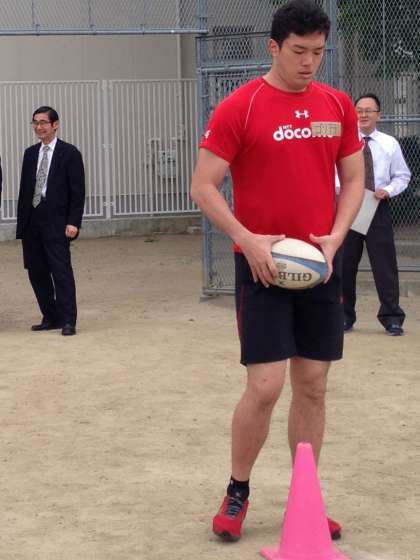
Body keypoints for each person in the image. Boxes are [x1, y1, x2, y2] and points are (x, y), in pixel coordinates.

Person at [191, 0, 365, 544]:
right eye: (298, 51)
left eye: (318, 51)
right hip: (263, 267)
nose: (309, 61)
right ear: (273, 47)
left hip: (319, 266)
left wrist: (337, 237)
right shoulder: (240, 108)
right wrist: (246, 239)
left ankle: (303, 497)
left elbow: (354, 179)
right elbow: (203, 186)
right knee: (265, 387)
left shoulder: (337, 104)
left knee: (312, 385)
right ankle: (237, 489)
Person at [342, 93, 411, 336]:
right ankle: (344, 316)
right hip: (348, 206)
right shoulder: (344, 142)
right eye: (359, 110)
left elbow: (402, 175)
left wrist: (388, 190)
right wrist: (341, 191)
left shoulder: (389, 143)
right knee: (345, 264)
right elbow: (332, 173)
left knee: (384, 265)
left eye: (368, 111)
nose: (363, 115)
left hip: (376, 205)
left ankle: (392, 318)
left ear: (378, 115)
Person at [16, 106, 85, 336]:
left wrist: (73, 222)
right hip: (32, 220)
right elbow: (25, 190)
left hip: (57, 220)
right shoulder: (30, 154)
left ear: (55, 125)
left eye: (43, 122)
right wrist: (22, 224)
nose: (39, 127)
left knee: (60, 270)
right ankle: (50, 316)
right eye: (35, 122)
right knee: (36, 271)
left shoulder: (69, 153)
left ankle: (68, 320)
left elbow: (77, 192)